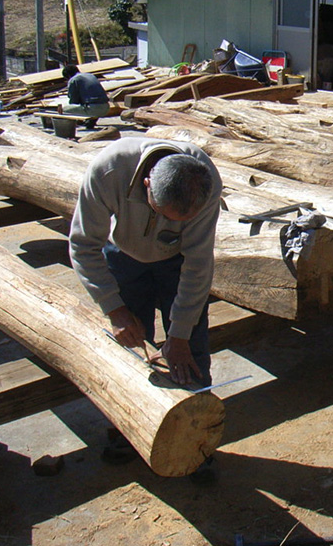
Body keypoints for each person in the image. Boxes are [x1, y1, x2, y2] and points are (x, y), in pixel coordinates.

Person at [68, 137, 222, 474]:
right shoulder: (108, 171)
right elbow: (82, 246)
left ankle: (197, 442)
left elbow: (198, 265)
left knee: (190, 352)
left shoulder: (205, 184)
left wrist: (179, 336)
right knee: (130, 349)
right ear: (147, 183)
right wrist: (115, 309)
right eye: (162, 214)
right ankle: (128, 430)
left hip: (177, 261)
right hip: (122, 254)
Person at [60, 64, 110, 129]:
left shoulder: (74, 79)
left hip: (94, 109)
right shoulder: (90, 75)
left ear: (68, 76)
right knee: (90, 101)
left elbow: (73, 100)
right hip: (106, 107)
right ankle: (91, 121)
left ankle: (76, 123)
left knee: (64, 110)